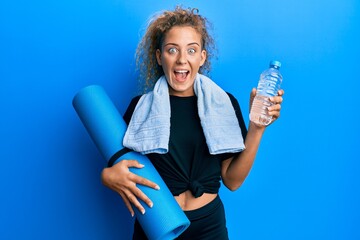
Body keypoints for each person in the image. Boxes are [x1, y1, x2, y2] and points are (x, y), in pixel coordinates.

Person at [101, 6, 284, 240]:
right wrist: (107, 176)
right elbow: (119, 163)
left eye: (191, 50)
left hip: (209, 226)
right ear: (159, 56)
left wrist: (257, 128)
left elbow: (233, 180)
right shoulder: (140, 108)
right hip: (157, 223)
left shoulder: (224, 104)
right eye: (172, 50)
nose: (181, 59)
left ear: (202, 57)